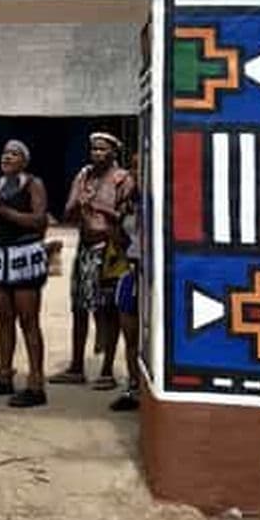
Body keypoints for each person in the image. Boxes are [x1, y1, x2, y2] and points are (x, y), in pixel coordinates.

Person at [49, 132, 135, 391]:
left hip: (110, 250)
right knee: (79, 307)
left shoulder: (123, 179)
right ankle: (76, 367)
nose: (96, 153)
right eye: (94, 149)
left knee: (108, 311)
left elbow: (127, 219)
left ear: (113, 152)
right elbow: (67, 211)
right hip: (85, 249)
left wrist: (101, 209)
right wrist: (79, 205)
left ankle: (107, 370)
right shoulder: (84, 175)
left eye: (102, 149)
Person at [0, 140, 49, 408]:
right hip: (1, 257)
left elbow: (38, 220)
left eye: (14, 154)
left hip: (25, 256)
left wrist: (1, 208)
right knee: (4, 318)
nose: (7, 157)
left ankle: (36, 384)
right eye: (5, 153)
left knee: (28, 320)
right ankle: (4, 376)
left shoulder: (33, 184)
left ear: (24, 161)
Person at [110, 152, 142, 412]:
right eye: (134, 168)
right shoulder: (129, 204)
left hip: (153, 274)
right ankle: (133, 386)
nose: (138, 174)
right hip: (131, 270)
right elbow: (122, 240)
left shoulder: (164, 199)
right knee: (130, 335)